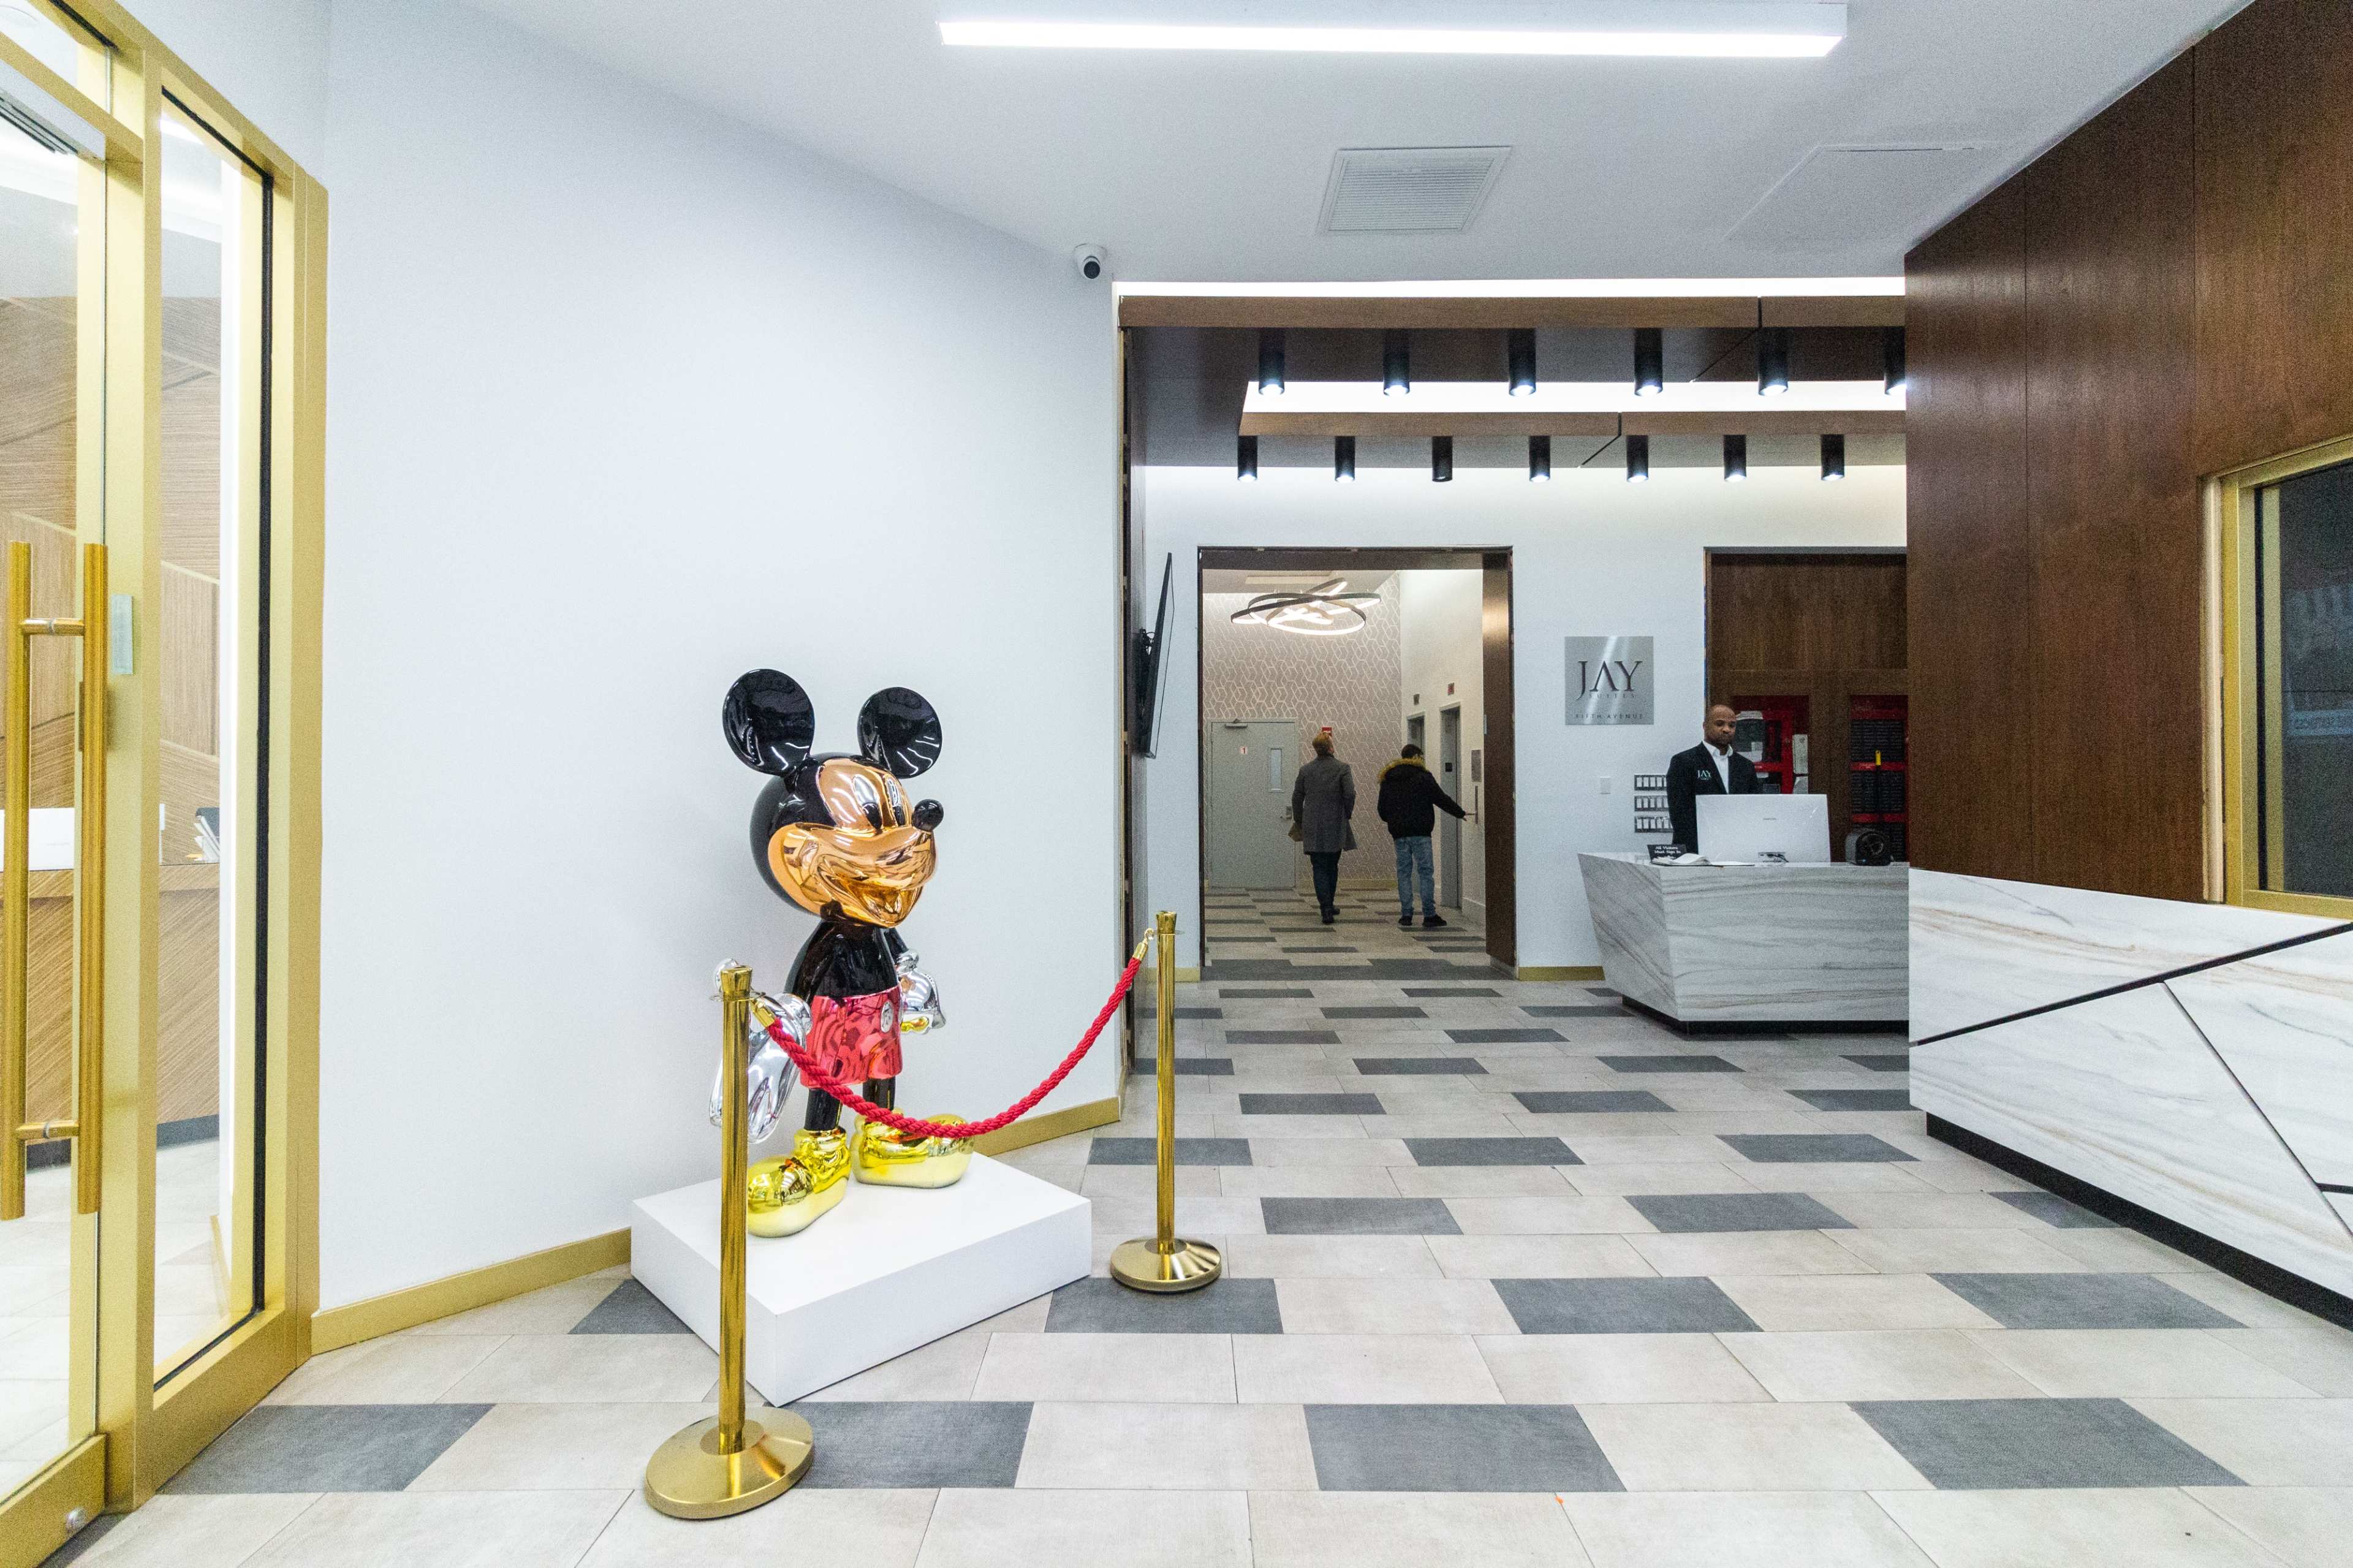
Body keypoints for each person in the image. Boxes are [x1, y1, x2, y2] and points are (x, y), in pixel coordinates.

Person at [1376, 742, 1466, 928]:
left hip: (1399, 833)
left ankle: (1406, 915)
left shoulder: (1389, 778)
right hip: (1421, 832)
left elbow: (1382, 809)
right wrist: (1460, 813)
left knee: (1404, 873)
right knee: (1426, 873)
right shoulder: (1424, 777)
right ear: (1417, 757)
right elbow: (1441, 799)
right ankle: (1429, 914)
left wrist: (1394, 821)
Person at [1665, 702, 1760, 853]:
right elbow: (1680, 814)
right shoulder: (1684, 761)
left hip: (1738, 848)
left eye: (1732, 725)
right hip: (1695, 850)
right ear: (1705, 726)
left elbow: (1754, 809)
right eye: (1720, 724)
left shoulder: (1745, 766)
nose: (1727, 729)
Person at [1289, 731, 1357, 925]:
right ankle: (1329, 904)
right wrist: (1347, 813)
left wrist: (1300, 820)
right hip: (1335, 822)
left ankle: (1325, 907)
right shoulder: (1342, 768)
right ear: (1330, 748)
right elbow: (1350, 794)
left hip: (1312, 824)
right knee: (1332, 864)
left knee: (1318, 866)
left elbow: (1297, 797)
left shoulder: (1306, 770)